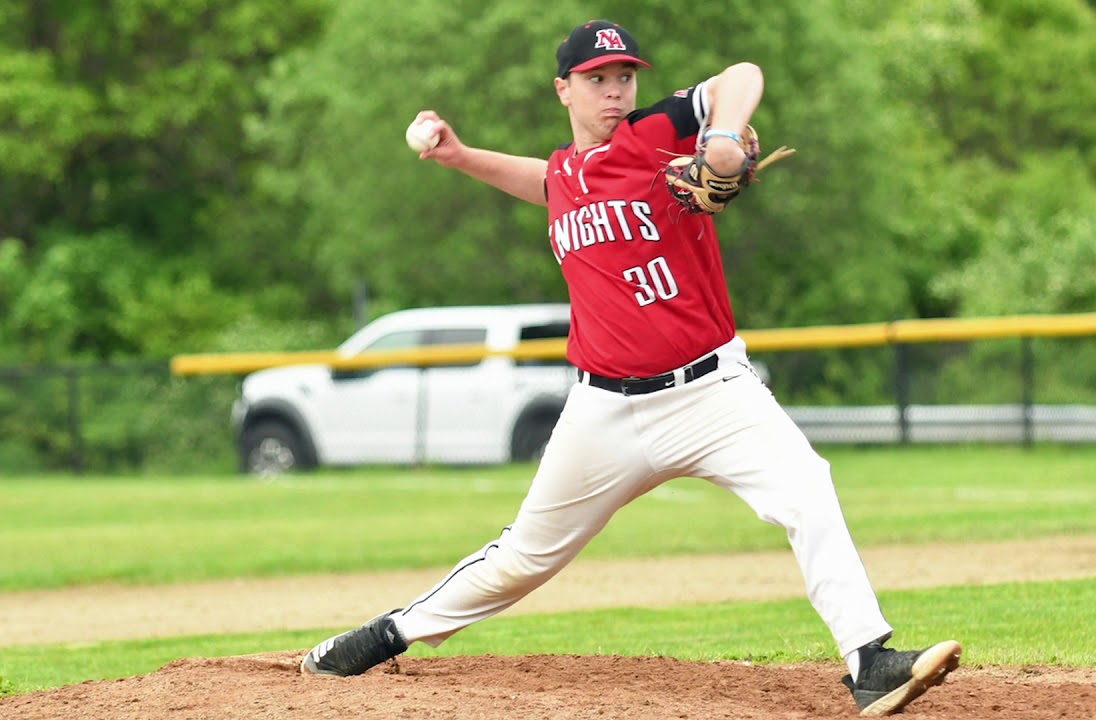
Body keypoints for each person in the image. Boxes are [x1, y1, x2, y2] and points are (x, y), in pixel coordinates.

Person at [300, 19, 961, 716]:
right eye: (597, 79)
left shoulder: (654, 135)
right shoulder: (565, 173)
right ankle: (387, 634)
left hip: (712, 392)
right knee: (525, 556)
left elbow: (742, 76)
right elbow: (546, 181)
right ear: (564, 90)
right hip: (603, 411)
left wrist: (723, 136)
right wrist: (459, 156)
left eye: (624, 76)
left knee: (807, 487)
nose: (615, 90)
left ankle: (869, 661)